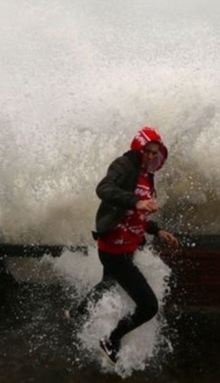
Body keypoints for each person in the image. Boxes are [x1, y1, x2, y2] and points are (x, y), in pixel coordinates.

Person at [72, 126, 179, 365]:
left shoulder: (147, 175)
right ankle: (111, 340)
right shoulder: (123, 166)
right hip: (114, 250)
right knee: (149, 306)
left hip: (127, 247)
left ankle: (77, 312)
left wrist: (157, 230)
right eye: (147, 151)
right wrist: (136, 202)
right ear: (137, 148)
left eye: (155, 152)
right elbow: (104, 189)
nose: (150, 156)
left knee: (108, 282)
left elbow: (139, 214)